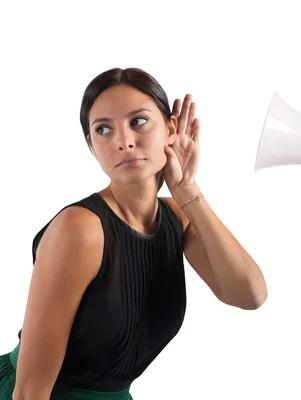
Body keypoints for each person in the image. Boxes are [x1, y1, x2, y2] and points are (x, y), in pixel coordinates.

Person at [0, 67, 268, 399]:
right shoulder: (80, 229)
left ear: (171, 128)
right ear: (91, 146)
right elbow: (29, 392)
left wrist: (186, 189)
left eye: (138, 121)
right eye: (103, 130)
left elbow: (249, 294)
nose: (124, 140)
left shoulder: (176, 217)